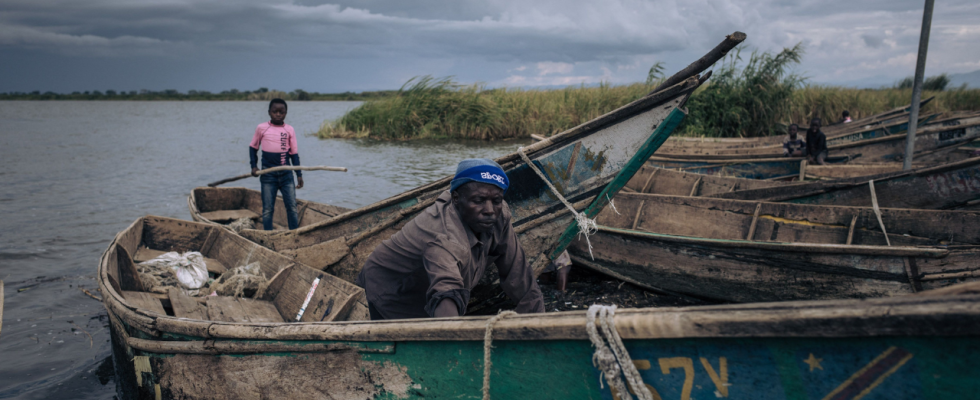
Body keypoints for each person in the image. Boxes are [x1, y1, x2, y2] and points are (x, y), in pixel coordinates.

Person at [356, 159, 545, 320]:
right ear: (456, 199)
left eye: (496, 200)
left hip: (425, 283)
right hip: (390, 288)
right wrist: (453, 342)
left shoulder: (499, 213)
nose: (489, 210)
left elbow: (517, 271)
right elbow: (446, 291)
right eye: (478, 200)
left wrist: (538, 323)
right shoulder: (444, 236)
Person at [249, 98, 304, 230]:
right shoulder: (262, 128)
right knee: (268, 209)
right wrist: (254, 166)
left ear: (286, 113)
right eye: (275, 112)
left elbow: (294, 154)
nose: (278, 114)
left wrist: (299, 174)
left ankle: (294, 234)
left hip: (286, 175)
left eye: (282, 112)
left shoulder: (289, 129)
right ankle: (268, 236)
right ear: (269, 112)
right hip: (268, 175)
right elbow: (253, 148)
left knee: (291, 207)